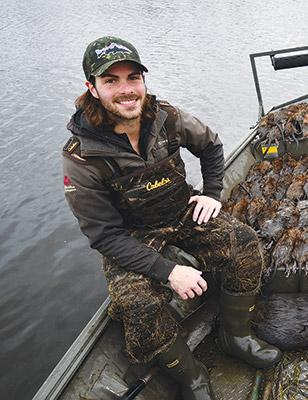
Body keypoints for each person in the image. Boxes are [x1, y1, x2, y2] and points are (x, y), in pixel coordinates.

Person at [62, 36, 281, 400]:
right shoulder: (80, 157)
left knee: (244, 244)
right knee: (137, 306)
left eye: (133, 77)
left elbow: (211, 146)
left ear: (143, 80)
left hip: (181, 212)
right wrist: (169, 272)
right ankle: (191, 376)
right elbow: (104, 237)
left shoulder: (166, 117)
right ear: (92, 88)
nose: (126, 89)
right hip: (131, 237)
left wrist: (211, 193)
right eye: (111, 80)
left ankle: (236, 337)